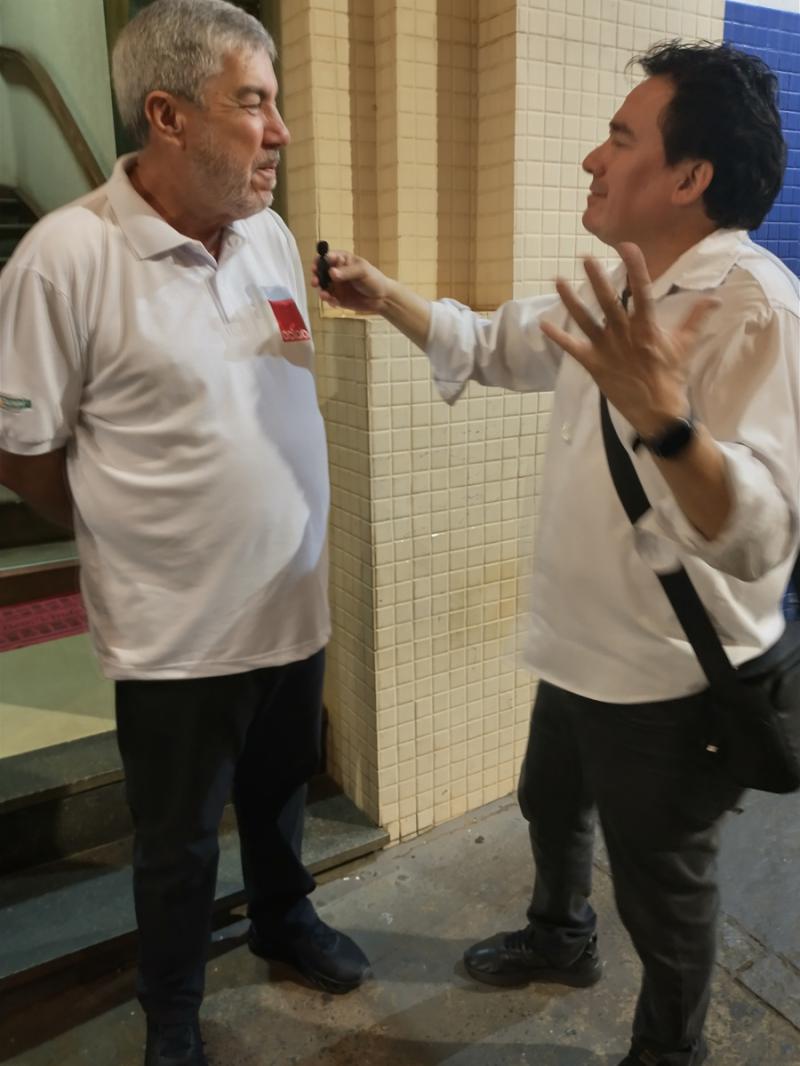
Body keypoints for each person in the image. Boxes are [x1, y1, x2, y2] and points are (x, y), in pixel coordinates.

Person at [313, 41, 799, 1066]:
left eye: (619, 138)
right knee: (549, 803)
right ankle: (559, 936)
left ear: (688, 177)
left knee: (663, 889)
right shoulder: (622, 290)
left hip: (668, 682)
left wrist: (668, 425)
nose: (591, 158)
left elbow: (764, 533)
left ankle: (668, 1052)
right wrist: (380, 293)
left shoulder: (755, 307)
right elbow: (495, 341)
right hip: (580, 649)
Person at [0, 2, 370, 1064]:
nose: (280, 131)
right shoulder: (64, 257)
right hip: (175, 637)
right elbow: (21, 450)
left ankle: (284, 917)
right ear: (166, 115)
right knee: (175, 842)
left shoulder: (266, 236)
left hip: (291, 605)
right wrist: (133, 532)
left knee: (281, 794)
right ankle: (171, 1004)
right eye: (253, 103)